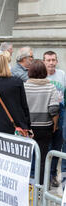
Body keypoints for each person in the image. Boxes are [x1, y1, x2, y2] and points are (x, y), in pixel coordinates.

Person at [24, 60, 60, 184]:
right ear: (44, 72)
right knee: (43, 159)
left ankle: (26, 184)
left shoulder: (24, 87)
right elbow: (54, 109)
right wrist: (55, 125)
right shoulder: (51, 87)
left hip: (27, 129)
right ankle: (40, 187)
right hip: (45, 128)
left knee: (26, 157)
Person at [43, 51, 66, 188]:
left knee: (58, 144)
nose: (51, 62)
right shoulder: (41, 75)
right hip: (45, 113)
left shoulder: (62, 74)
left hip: (60, 112)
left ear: (57, 61)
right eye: (48, 60)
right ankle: (44, 175)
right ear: (44, 61)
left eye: (53, 60)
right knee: (47, 145)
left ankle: (53, 174)